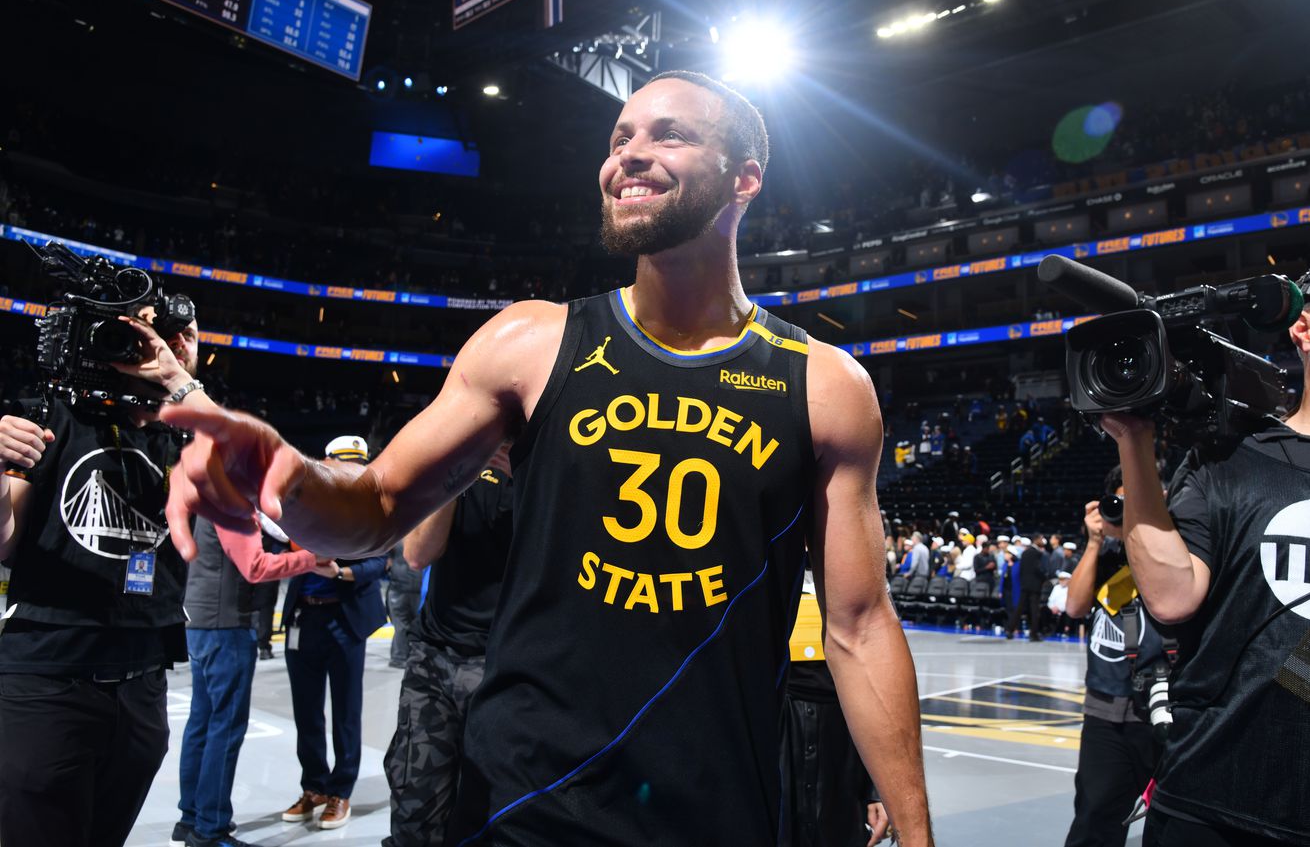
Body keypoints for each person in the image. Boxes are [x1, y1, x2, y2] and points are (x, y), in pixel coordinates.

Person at [160, 71, 933, 846]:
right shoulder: (530, 343)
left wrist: (917, 833)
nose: (629, 155)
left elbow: (860, 625)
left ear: (745, 178)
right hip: (524, 806)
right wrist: (287, 477)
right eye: (619, 139)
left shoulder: (826, 385)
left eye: (669, 134)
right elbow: (379, 504)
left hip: (719, 808)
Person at [1098, 274, 1310, 846]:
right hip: (1211, 803)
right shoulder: (1233, 459)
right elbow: (1171, 598)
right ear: (1304, 328)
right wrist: (1132, 440)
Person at [0, 306, 211, 847]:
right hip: (50, 681)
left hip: (143, 687)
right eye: (165, 335)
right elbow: (4, 542)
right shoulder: (53, 417)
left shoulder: (185, 441)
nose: (179, 344)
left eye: (189, 335)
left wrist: (181, 386)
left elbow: (260, 479)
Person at [384, 445, 514, 847]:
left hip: (505, 666)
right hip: (435, 659)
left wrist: (524, 474)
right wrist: (460, 475)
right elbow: (418, 553)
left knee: (495, 814)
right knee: (414, 813)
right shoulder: (454, 468)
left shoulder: (547, 467)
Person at [174, 513, 320, 847]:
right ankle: (211, 829)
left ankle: (191, 817)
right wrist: (312, 558)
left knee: (202, 723)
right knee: (225, 728)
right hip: (225, 625)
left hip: (201, 621)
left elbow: (271, 528)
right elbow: (255, 565)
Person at [277, 436, 389, 831]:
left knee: (346, 712)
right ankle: (315, 787)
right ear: (326, 462)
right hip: (304, 620)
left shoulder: (371, 509)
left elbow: (381, 560)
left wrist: (342, 572)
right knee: (306, 711)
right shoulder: (301, 504)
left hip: (346, 620)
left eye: (358, 464)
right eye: (344, 463)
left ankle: (341, 791)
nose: (352, 471)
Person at [1061, 469, 1163, 847]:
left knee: (1170, 823)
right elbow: (1074, 607)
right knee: (1094, 819)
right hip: (1105, 712)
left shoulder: (1179, 551)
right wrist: (1093, 542)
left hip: (1161, 712)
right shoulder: (1103, 559)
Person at [782, 570, 889, 847]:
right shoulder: (761, 563)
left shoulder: (858, 568)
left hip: (842, 732)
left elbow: (878, 689)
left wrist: (877, 790)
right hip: (778, 724)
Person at [1007, 536, 1049, 641]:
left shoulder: (1025, 553)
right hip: (1035, 585)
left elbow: (1021, 569)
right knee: (1034, 610)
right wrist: (1044, 578)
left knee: (1019, 608)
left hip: (1025, 585)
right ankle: (1033, 634)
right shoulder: (1037, 553)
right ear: (1036, 540)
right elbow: (1038, 568)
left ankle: (1010, 630)